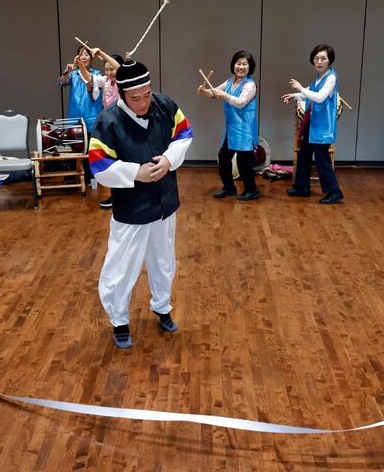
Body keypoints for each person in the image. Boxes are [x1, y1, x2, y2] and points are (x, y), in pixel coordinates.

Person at [88, 59, 193, 348]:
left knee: (163, 261)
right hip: (131, 209)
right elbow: (98, 166)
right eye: (137, 98)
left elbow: (184, 135)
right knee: (122, 266)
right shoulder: (108, 121)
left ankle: (162, 306)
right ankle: (119, 319)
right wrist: (136, 172)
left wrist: (170, 160)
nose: (145, 102)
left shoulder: (165, 105)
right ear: (122, 94)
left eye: (148, 94)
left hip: (164, 202)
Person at [282, 44, 344, 204]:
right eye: (316, 58)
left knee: (322, 159)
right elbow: (309, 92)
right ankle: (302, 188)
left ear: (330, 60)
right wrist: (294, 95)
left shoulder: (331, 77)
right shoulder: (319, 77)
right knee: (303, 154)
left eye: (323, 58)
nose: (319, 61)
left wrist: (301, 89)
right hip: (314, 123)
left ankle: (334, 192)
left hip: (323, 126)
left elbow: (319, 97)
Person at [198, 50, 259, 201]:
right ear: (233, 65)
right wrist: (203, 91)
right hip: (232, 129)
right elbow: (214, 93)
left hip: (245, 129)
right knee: (223, 158)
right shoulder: (230, 81)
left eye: (245, 64)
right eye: (238, 63)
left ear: (250, 67)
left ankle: (252, 190)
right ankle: (229, 187)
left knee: (243, 163)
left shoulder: (250, 85)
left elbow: (240, 102)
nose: (241, 67)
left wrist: (223, 95)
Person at [58, 44, 103, 183]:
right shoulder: (74, 74)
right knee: (74, 146)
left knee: (90, 148)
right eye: (81, 54)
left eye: (86, 54)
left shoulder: (96, 74)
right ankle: (72, 177)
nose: (84, 57)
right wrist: (66, 71)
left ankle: (91, 178)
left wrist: (80, 68)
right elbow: (62, 83)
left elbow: (91, 82)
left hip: (91, 114)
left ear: (91, 57)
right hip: (74, 115)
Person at [89, 49, 122, 209]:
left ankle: (121, 197)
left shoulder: (123, 81)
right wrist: (82, 65)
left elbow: (120, 68)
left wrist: (101, 53)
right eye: (106, 69)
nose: (109, 72)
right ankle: (115, 196)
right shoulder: (106, 82)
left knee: (122, 161)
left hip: (122, 126)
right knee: (113, 161)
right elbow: (89, 78)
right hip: (110, 126)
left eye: (112, 69)